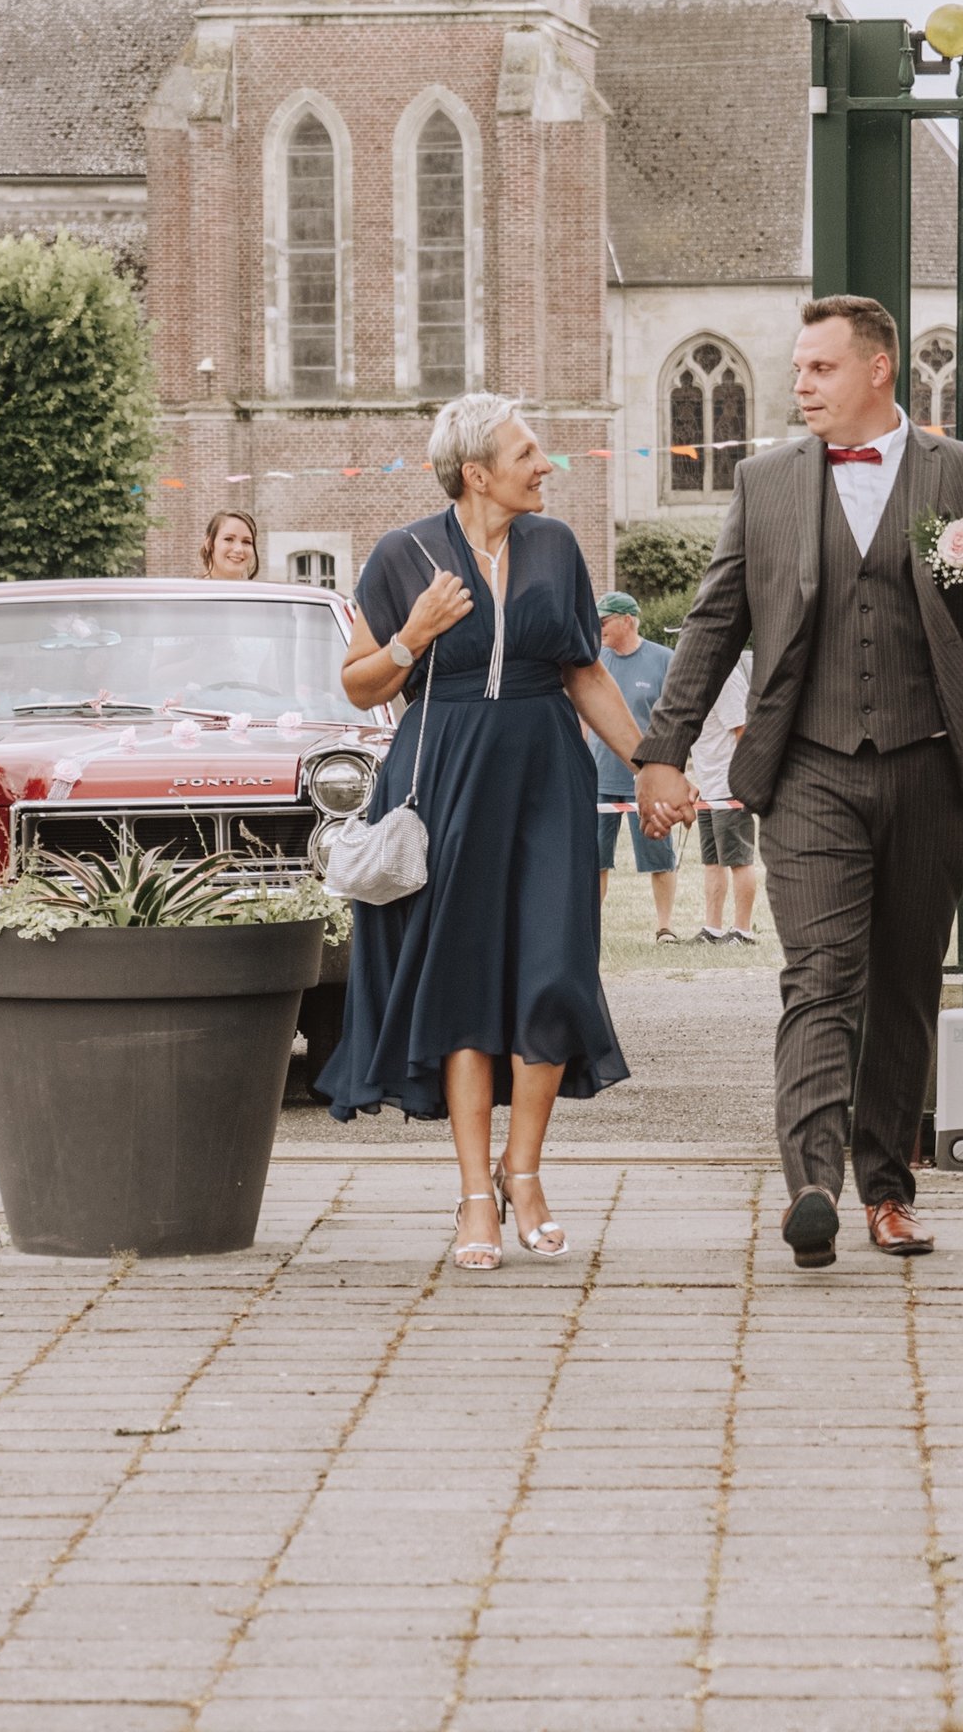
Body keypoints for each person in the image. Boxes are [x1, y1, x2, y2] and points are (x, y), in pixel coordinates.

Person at [636, 296, 963, 1266]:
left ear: (879, 369)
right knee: (821, 977)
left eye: (820, 369)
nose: (801, 386)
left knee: (906, 986)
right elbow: (712, 627)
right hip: (810, 768)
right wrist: (664, 748)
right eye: (798, 370)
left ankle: (889, 1190)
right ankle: (814, 1184)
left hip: (932, 764)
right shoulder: (765, 483)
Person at [317, 393, 640, 1272]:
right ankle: (473, 1197)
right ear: (478, 472)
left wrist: (651, 763)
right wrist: (413, 637)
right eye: (529, 452)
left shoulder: (558, 548)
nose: (546, 466)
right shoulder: (402, 555)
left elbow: (585, 674)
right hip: (446, 777)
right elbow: (359, 688)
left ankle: (523, 1171)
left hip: (546, 778)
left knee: (553, 973)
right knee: (463, 987)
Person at [590, 592, 680, 944]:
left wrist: (666, 769)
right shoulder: (595, 661)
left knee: (659, 855)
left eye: (604, 621)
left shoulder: (663, 659)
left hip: (646, 778)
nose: (599, 629)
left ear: (628, 620)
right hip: (598, 776)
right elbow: (585, 717)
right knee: (594, 859)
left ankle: (665, 927)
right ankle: (591, 928)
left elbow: (673, 719)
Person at [690, 655, 758, 946]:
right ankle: (713, 929)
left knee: (739, 860)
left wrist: (745, 779)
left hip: (729, 785)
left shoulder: (725, 677)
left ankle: (742, 931)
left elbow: (743, 728)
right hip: (707, 786)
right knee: (712, 862)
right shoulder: (695, 680)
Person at [200, 510, 259, 581]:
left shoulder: (262, 591)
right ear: (209, 544)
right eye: (228, 539)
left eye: (246, 542)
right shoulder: (190, 590)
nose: (239, 549)